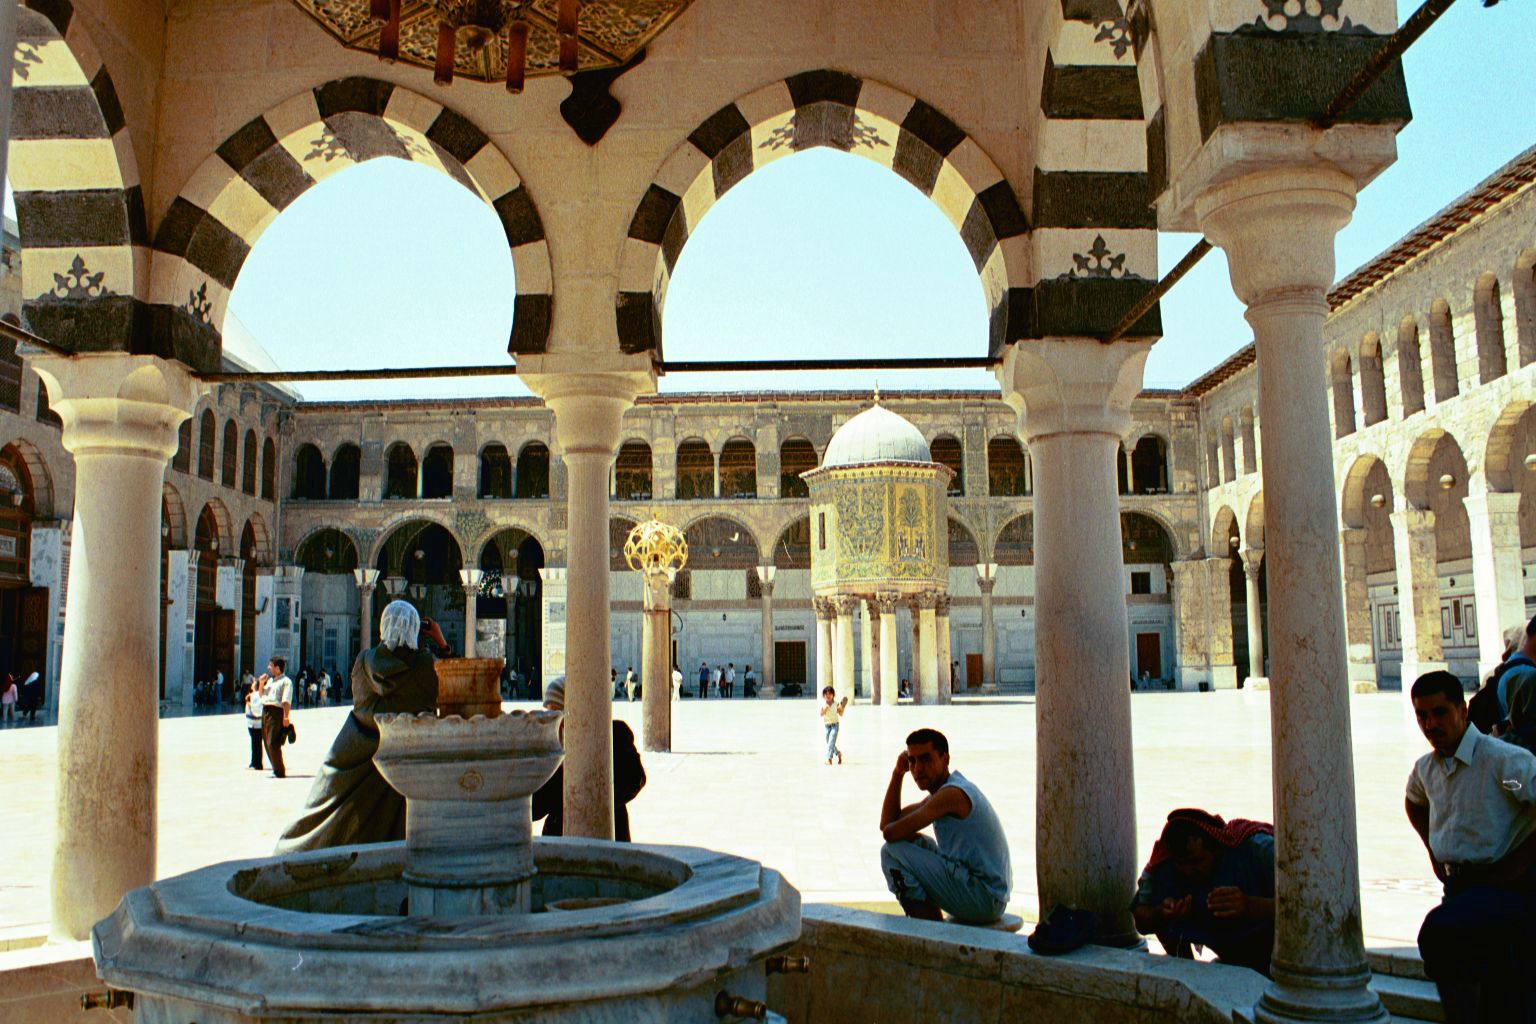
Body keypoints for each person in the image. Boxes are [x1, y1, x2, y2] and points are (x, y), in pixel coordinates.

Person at [1405, 669, 1536, 1023]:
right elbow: (1414, 801)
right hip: (1459, 889)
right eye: (1422, 715)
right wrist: (1433, 851)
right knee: (1486, 980)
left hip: (1502, 889)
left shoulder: (1502, 764)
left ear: (1462, 711)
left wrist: (1521, 861)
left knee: (1441, 935)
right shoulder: (1426, 769)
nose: (1430, 723)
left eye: (1440, 713)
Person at [275, 601, 445, 853]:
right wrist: (441, 643)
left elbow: (359, 699)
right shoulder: (425, 665)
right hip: (404, 756)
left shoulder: (364, 660)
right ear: (415, 628)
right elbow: (452, 686)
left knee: (333, 815)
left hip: (356, 748)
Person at [879, 728, 1012, 924]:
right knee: (914, 843)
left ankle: (930, 931)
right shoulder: (942, 793)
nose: (918, 768)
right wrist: (897, 774)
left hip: (985, 899)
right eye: (912, 761)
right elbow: (887, 824)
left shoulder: (952, 795)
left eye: (926, 759)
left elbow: (890, 834)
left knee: (891, 852)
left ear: (945, 759)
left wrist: (898, 832)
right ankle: (929, 921)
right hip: (985, 892)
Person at [1131, 809, 1276, 974]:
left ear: (1217, 848)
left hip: (1276, 955)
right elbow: (1141, 921)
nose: (1189, 871)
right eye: (1182, 864)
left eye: (1197, 861)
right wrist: (1161, 913)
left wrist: (1250, 905)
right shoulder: (1168, 867)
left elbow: (1307, 906)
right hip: (1226, 960)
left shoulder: (1258, 849)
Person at [531, 678, 646, 841]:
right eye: (548, 712)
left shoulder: (614, 736)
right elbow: (535, 807)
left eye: (556, 711)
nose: (551, 720)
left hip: (604, 838)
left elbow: (634, 779)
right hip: (560, 838)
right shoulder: (552, 749)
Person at [259, 657, 293, 778]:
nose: (268, 668)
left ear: (277, 668)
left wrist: (286, 717)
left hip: (276, 712)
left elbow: (286, 701)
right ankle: (275, 768)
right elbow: (262, 695)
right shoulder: (270, 681)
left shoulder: (286, 682)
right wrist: (261, 684)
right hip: (266, 711)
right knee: (266, 741)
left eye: (271, 666)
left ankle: (279, 770)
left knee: (273, 742)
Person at [820, 686, 847, 765]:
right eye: (826, 694)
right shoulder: (823, 704)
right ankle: (838, 753)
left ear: (833, 695)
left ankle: (829, 759)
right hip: (827, 725)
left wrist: (842, 708)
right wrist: (825, 710)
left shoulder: (836, 704)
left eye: (830, 694)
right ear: (824, 695)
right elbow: (821, 714)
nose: (828, 696)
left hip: (835, 725)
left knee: (831, 740)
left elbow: (841, 714)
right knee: (829, 742)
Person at [244, 675, 265, 770]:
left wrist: (249, 703)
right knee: (256, 744)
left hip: (255, 723)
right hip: (255, 723)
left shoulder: (254, 696)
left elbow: (256, 708)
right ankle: (255, 762)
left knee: (255, 744)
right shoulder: (256, 695)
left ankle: (256, 763)